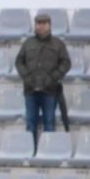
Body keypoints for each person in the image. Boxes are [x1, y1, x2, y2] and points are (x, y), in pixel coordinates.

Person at [15, 13, 71, 149]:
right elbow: (19, 62)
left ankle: (49, 151)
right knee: (30, 123)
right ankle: (30, 152)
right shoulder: (28, 43)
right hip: (30, 90)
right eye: (38, 23)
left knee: (49, 123)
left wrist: (53, 78)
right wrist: (27, 78)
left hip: (49, 91)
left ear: (49, 25)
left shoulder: (58, 44)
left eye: (43, 23)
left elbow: (66, 63)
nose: (40, 26)